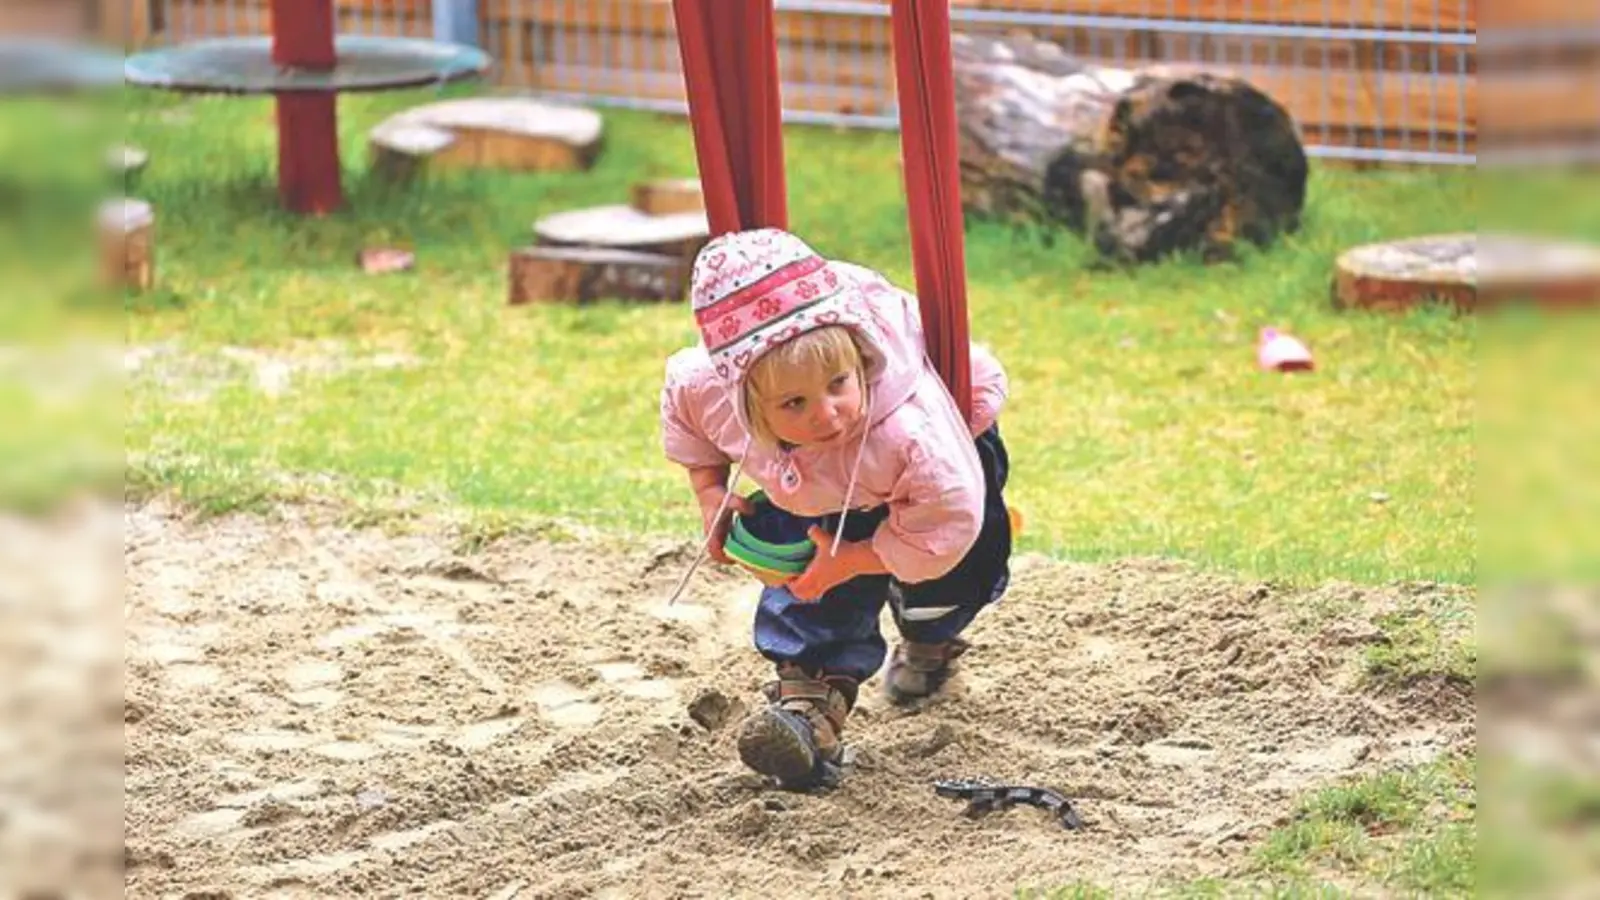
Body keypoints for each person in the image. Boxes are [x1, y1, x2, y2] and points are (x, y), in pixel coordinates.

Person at [658, 227, 1013, 789]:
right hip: (814, 481)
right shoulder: (710, 388)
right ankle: (808, 710)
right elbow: (686, 416)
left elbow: (947, 522)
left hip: (936, 492)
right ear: (744, 400)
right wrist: (710, 494)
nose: (826, 415)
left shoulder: (914, 436)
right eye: (795, 402)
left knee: (943, 590)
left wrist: (855, 558)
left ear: (858, 360)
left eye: (837, 384)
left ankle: (931, 640)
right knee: (807, 577)